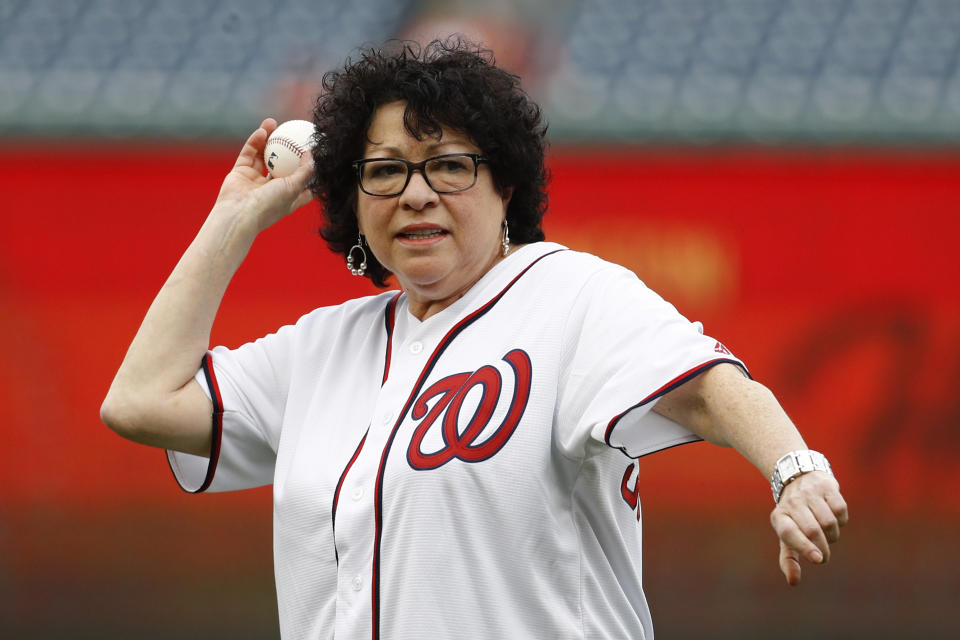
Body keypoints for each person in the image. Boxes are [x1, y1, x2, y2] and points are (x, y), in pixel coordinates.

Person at [101, 38, 848, 640]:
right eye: (385, 172)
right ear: (352, 203)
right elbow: (138, 402)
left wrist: (794, 469)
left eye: (451, 166)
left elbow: (711, 391)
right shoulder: (319, 350)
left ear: (507, 189)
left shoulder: (569, 296)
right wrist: (234, 221)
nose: (417, 192)